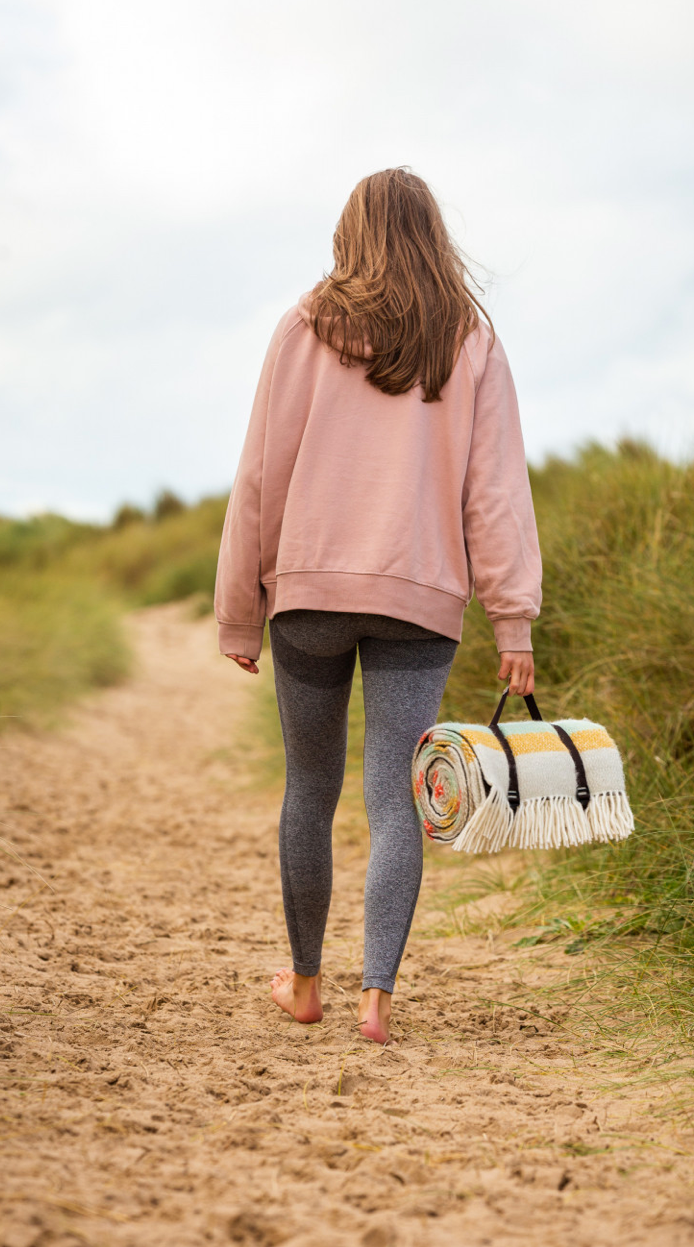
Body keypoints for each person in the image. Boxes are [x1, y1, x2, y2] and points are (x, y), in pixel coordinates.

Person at [214, 167, 542, 1045]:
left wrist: (240, 607)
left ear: (349, 231)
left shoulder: (304, 326)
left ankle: (308, 984)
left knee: (310, 788)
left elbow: (259, 476)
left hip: (309, 594)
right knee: (398, 802)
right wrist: (515, 617)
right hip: (419, 599)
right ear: (433, 235)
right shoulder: (469, 338)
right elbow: (496, 492)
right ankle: (378, 1004)